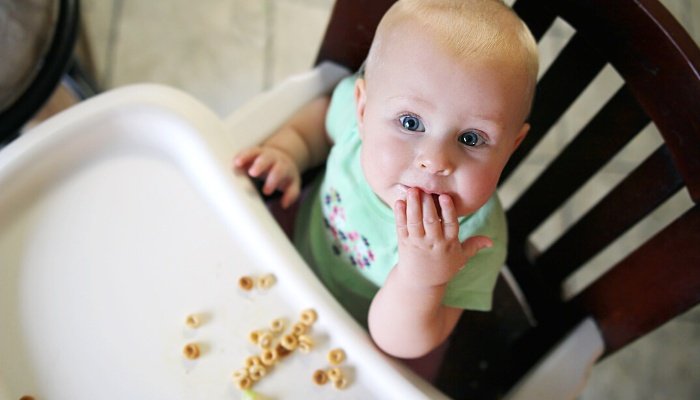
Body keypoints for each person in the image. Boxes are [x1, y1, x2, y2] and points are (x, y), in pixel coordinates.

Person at [234, 0, 538, 365]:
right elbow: (317, 124)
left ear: (511, 147)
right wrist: (290, 152)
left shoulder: (474, 242)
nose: (435, 161)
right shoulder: (355, 123)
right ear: (363, 110)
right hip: (287, 266)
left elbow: (402, 345)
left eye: (472, 139)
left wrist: (422, 279)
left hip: (355, 349)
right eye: (411, 123)